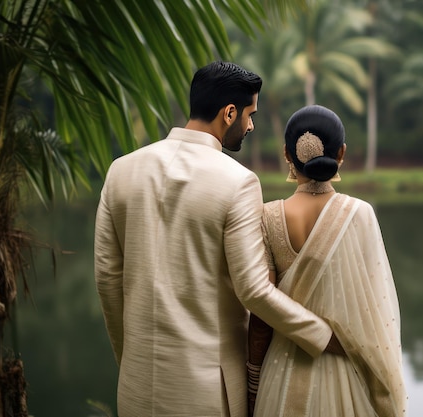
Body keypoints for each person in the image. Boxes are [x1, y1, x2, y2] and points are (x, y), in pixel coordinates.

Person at [94, 62, 342, 417]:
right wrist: (323, 335)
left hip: (135, 389)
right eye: (249, 114)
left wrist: (130, 360)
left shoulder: (120, 170)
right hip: (206, 395)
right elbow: (254, 291)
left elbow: (107, 279)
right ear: (229, 113)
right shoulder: (237, 182)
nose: (251, 125)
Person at [247, 105, 408, 417]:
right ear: (342, 153)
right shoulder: (360, 214)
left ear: (287, 154)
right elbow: (377, 316)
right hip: (345, 375)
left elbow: (261, 316)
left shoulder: (266, 216)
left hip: (279, 375)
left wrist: (253, 384)